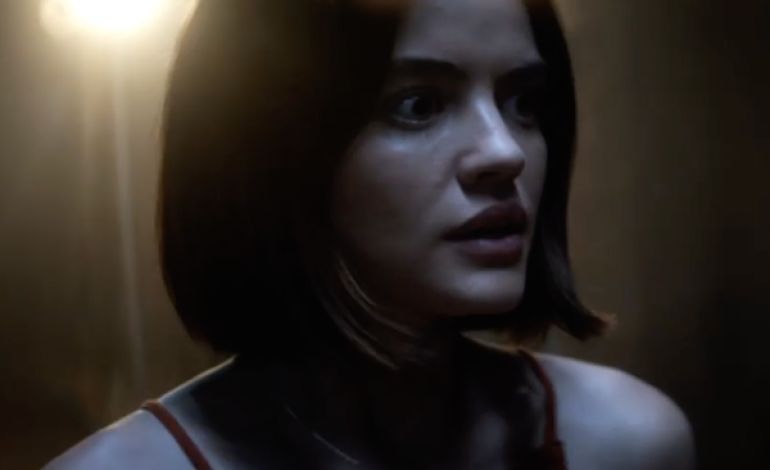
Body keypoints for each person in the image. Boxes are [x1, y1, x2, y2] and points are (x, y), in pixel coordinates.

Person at [44, 0, 696, 469]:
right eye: (418, 104)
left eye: (523, 102)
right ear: (265, 150)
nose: (505, 152)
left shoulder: (627, 441)